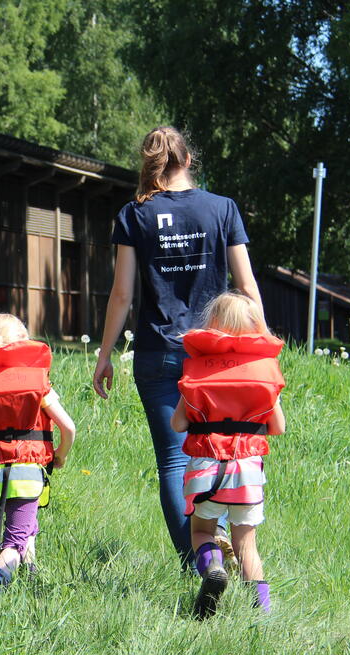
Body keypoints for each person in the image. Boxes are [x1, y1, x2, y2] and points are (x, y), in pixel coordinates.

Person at [92, 126, 264, 570]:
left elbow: (121, 295)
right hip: (218, 356)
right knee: (225, 452)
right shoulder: (222, 209)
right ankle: (227, 545)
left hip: (158, 352)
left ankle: (203, 561)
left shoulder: (135, 214)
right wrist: (262, 346)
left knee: (174, 463)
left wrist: (105, 354)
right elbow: (245, 287)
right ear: (188, 160)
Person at [171, 292, 285, 618]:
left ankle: (212, 568)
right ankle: (261, 614)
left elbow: (177, 422)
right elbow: (278, 427)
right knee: (247, 544)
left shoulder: (199, 372)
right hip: (247, 470)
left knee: (202, 531)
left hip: (205, 467)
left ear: (211, 326)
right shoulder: (263, 371)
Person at [0, 314, 75, 591]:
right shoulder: (38, 383)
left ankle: (31, 570)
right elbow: (69, 427)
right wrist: (61, 453)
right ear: (23, 342)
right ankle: (2, 571)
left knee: (26, 523)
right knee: (14, 541)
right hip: (28, 471)